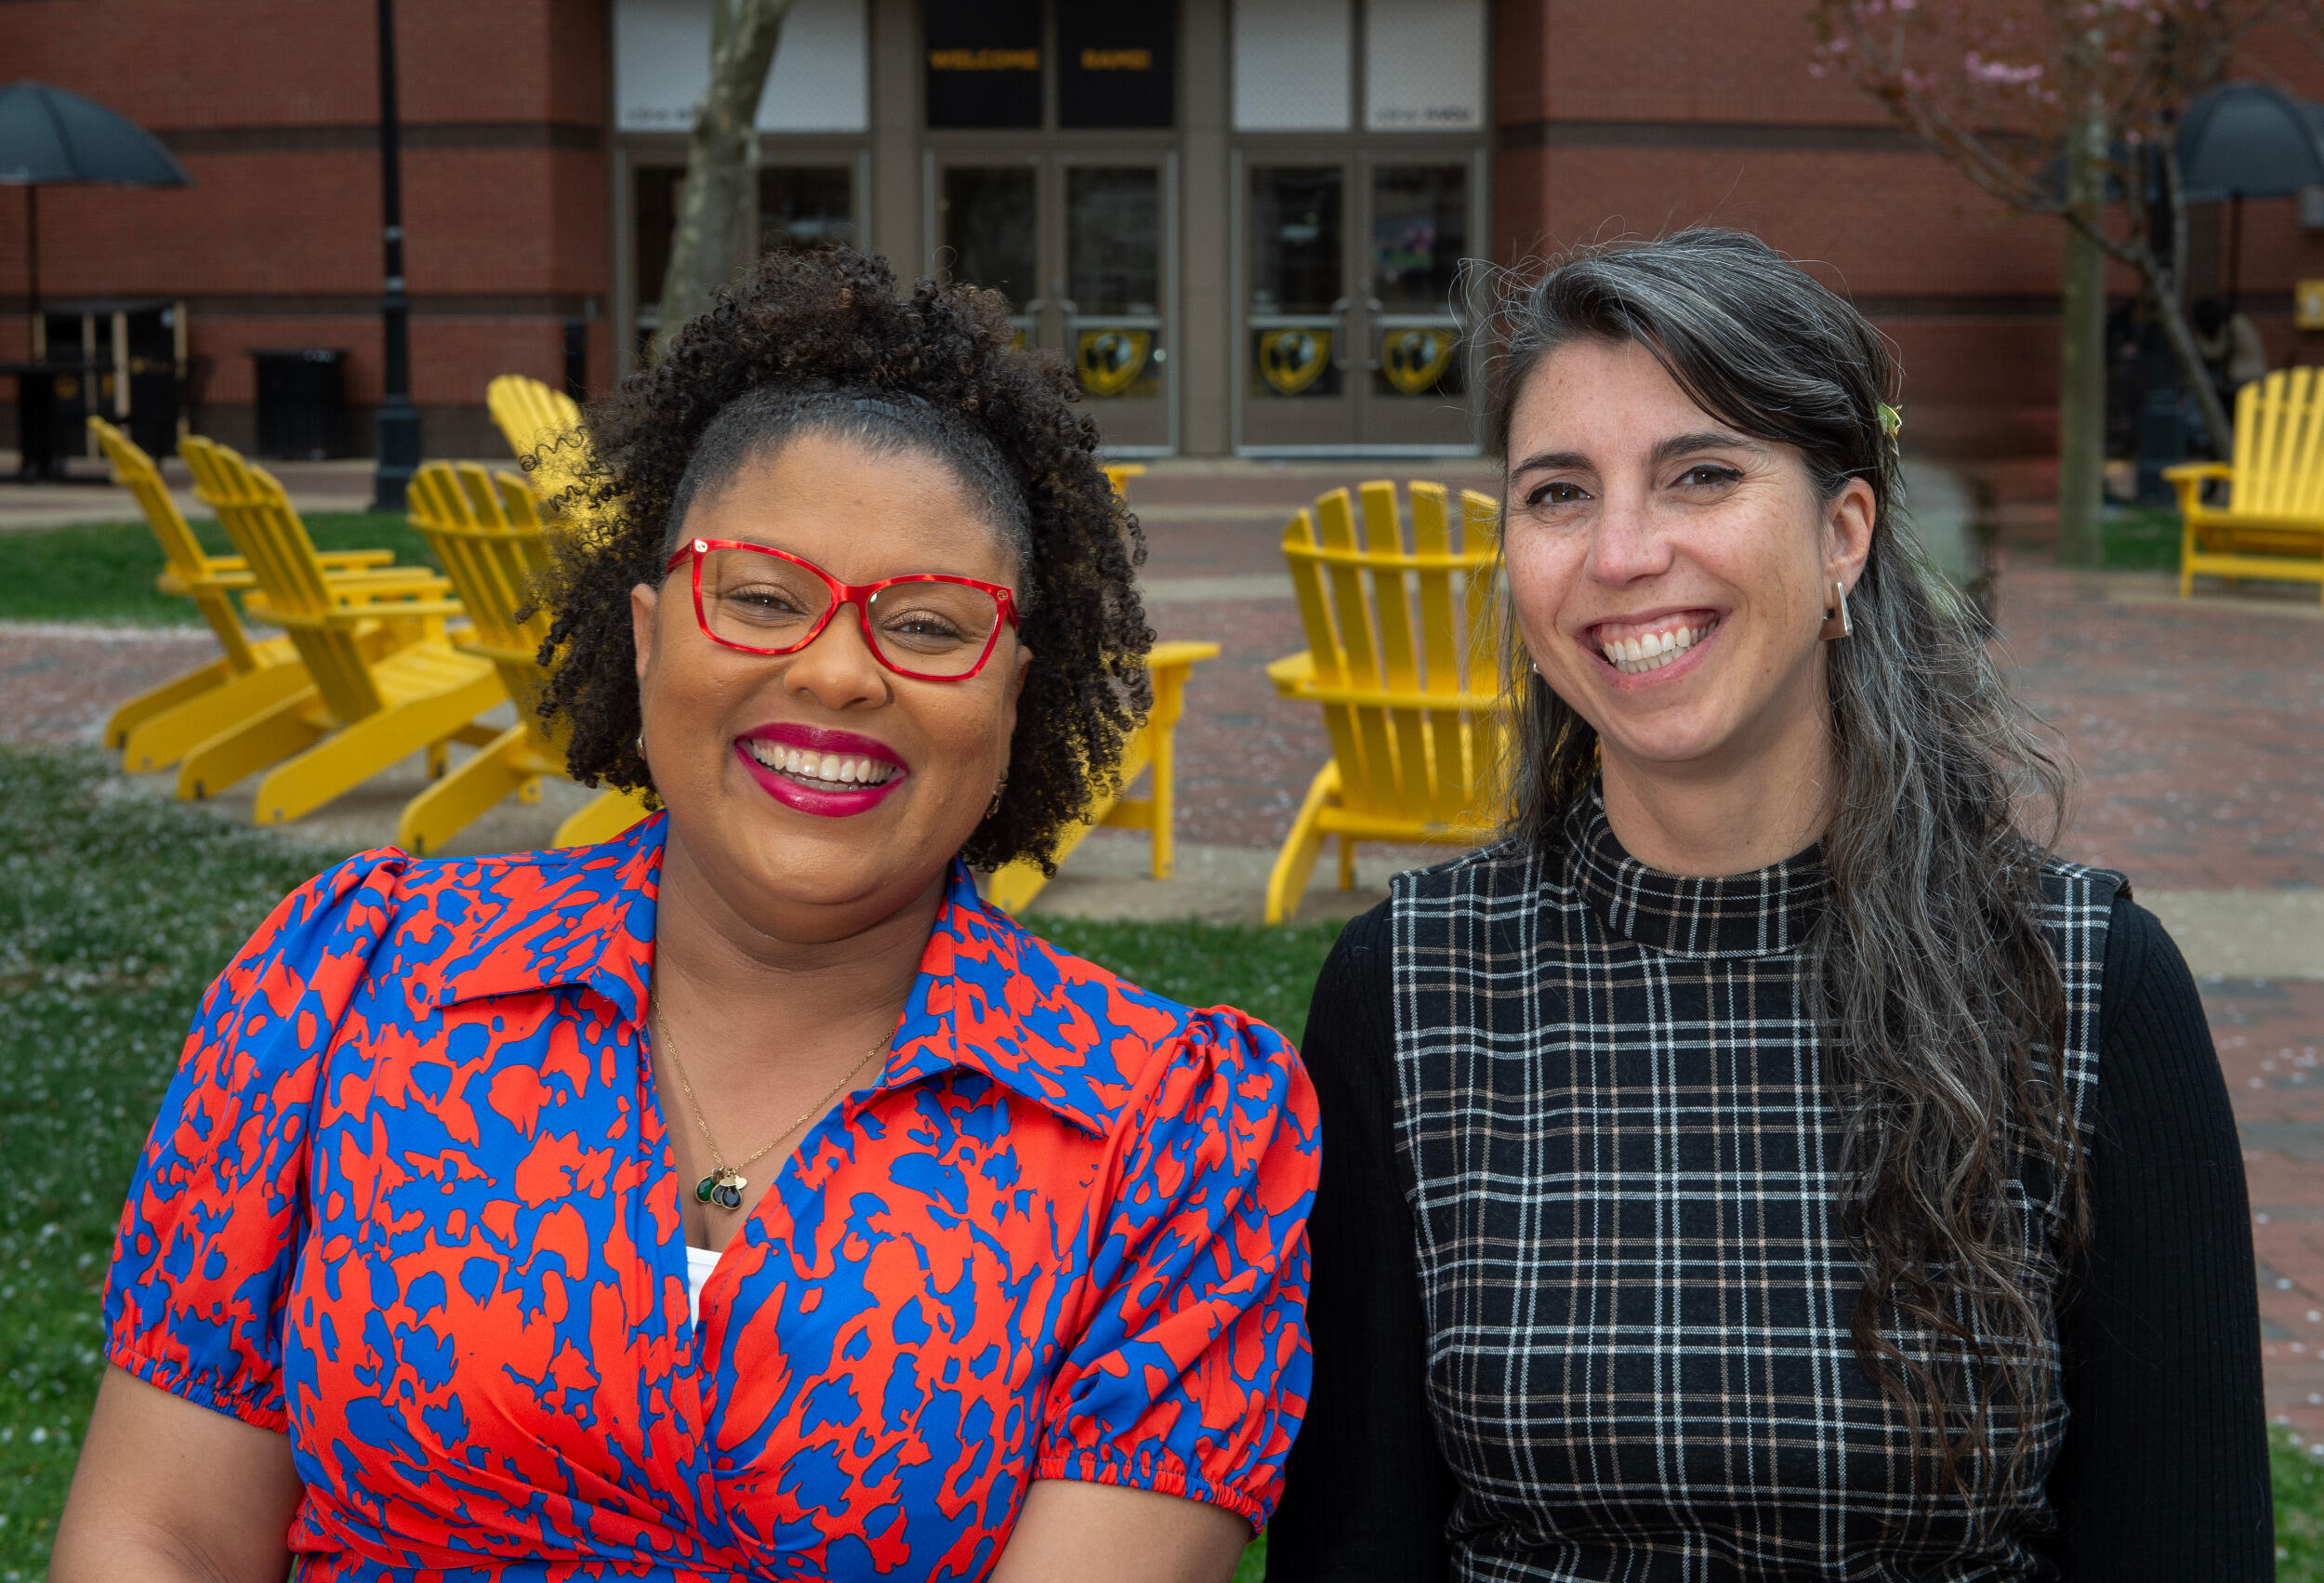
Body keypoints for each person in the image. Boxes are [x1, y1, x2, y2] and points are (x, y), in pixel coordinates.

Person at [55, 247, 1319, 1583]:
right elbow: (161, 1535)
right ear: (652, 638)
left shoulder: (1172, 1132)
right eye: (761, 599)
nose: (836, 673)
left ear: (1014, 691)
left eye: (932, 627)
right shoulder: (348, 981)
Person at [1267, 230, 2268, 1580]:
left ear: (1843, 533)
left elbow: (2184, 1547)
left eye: (1702, 475)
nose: (1621, 554)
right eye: (1558, 493)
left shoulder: (2085, 984)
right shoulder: (1409, 989)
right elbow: (1358, 1543)